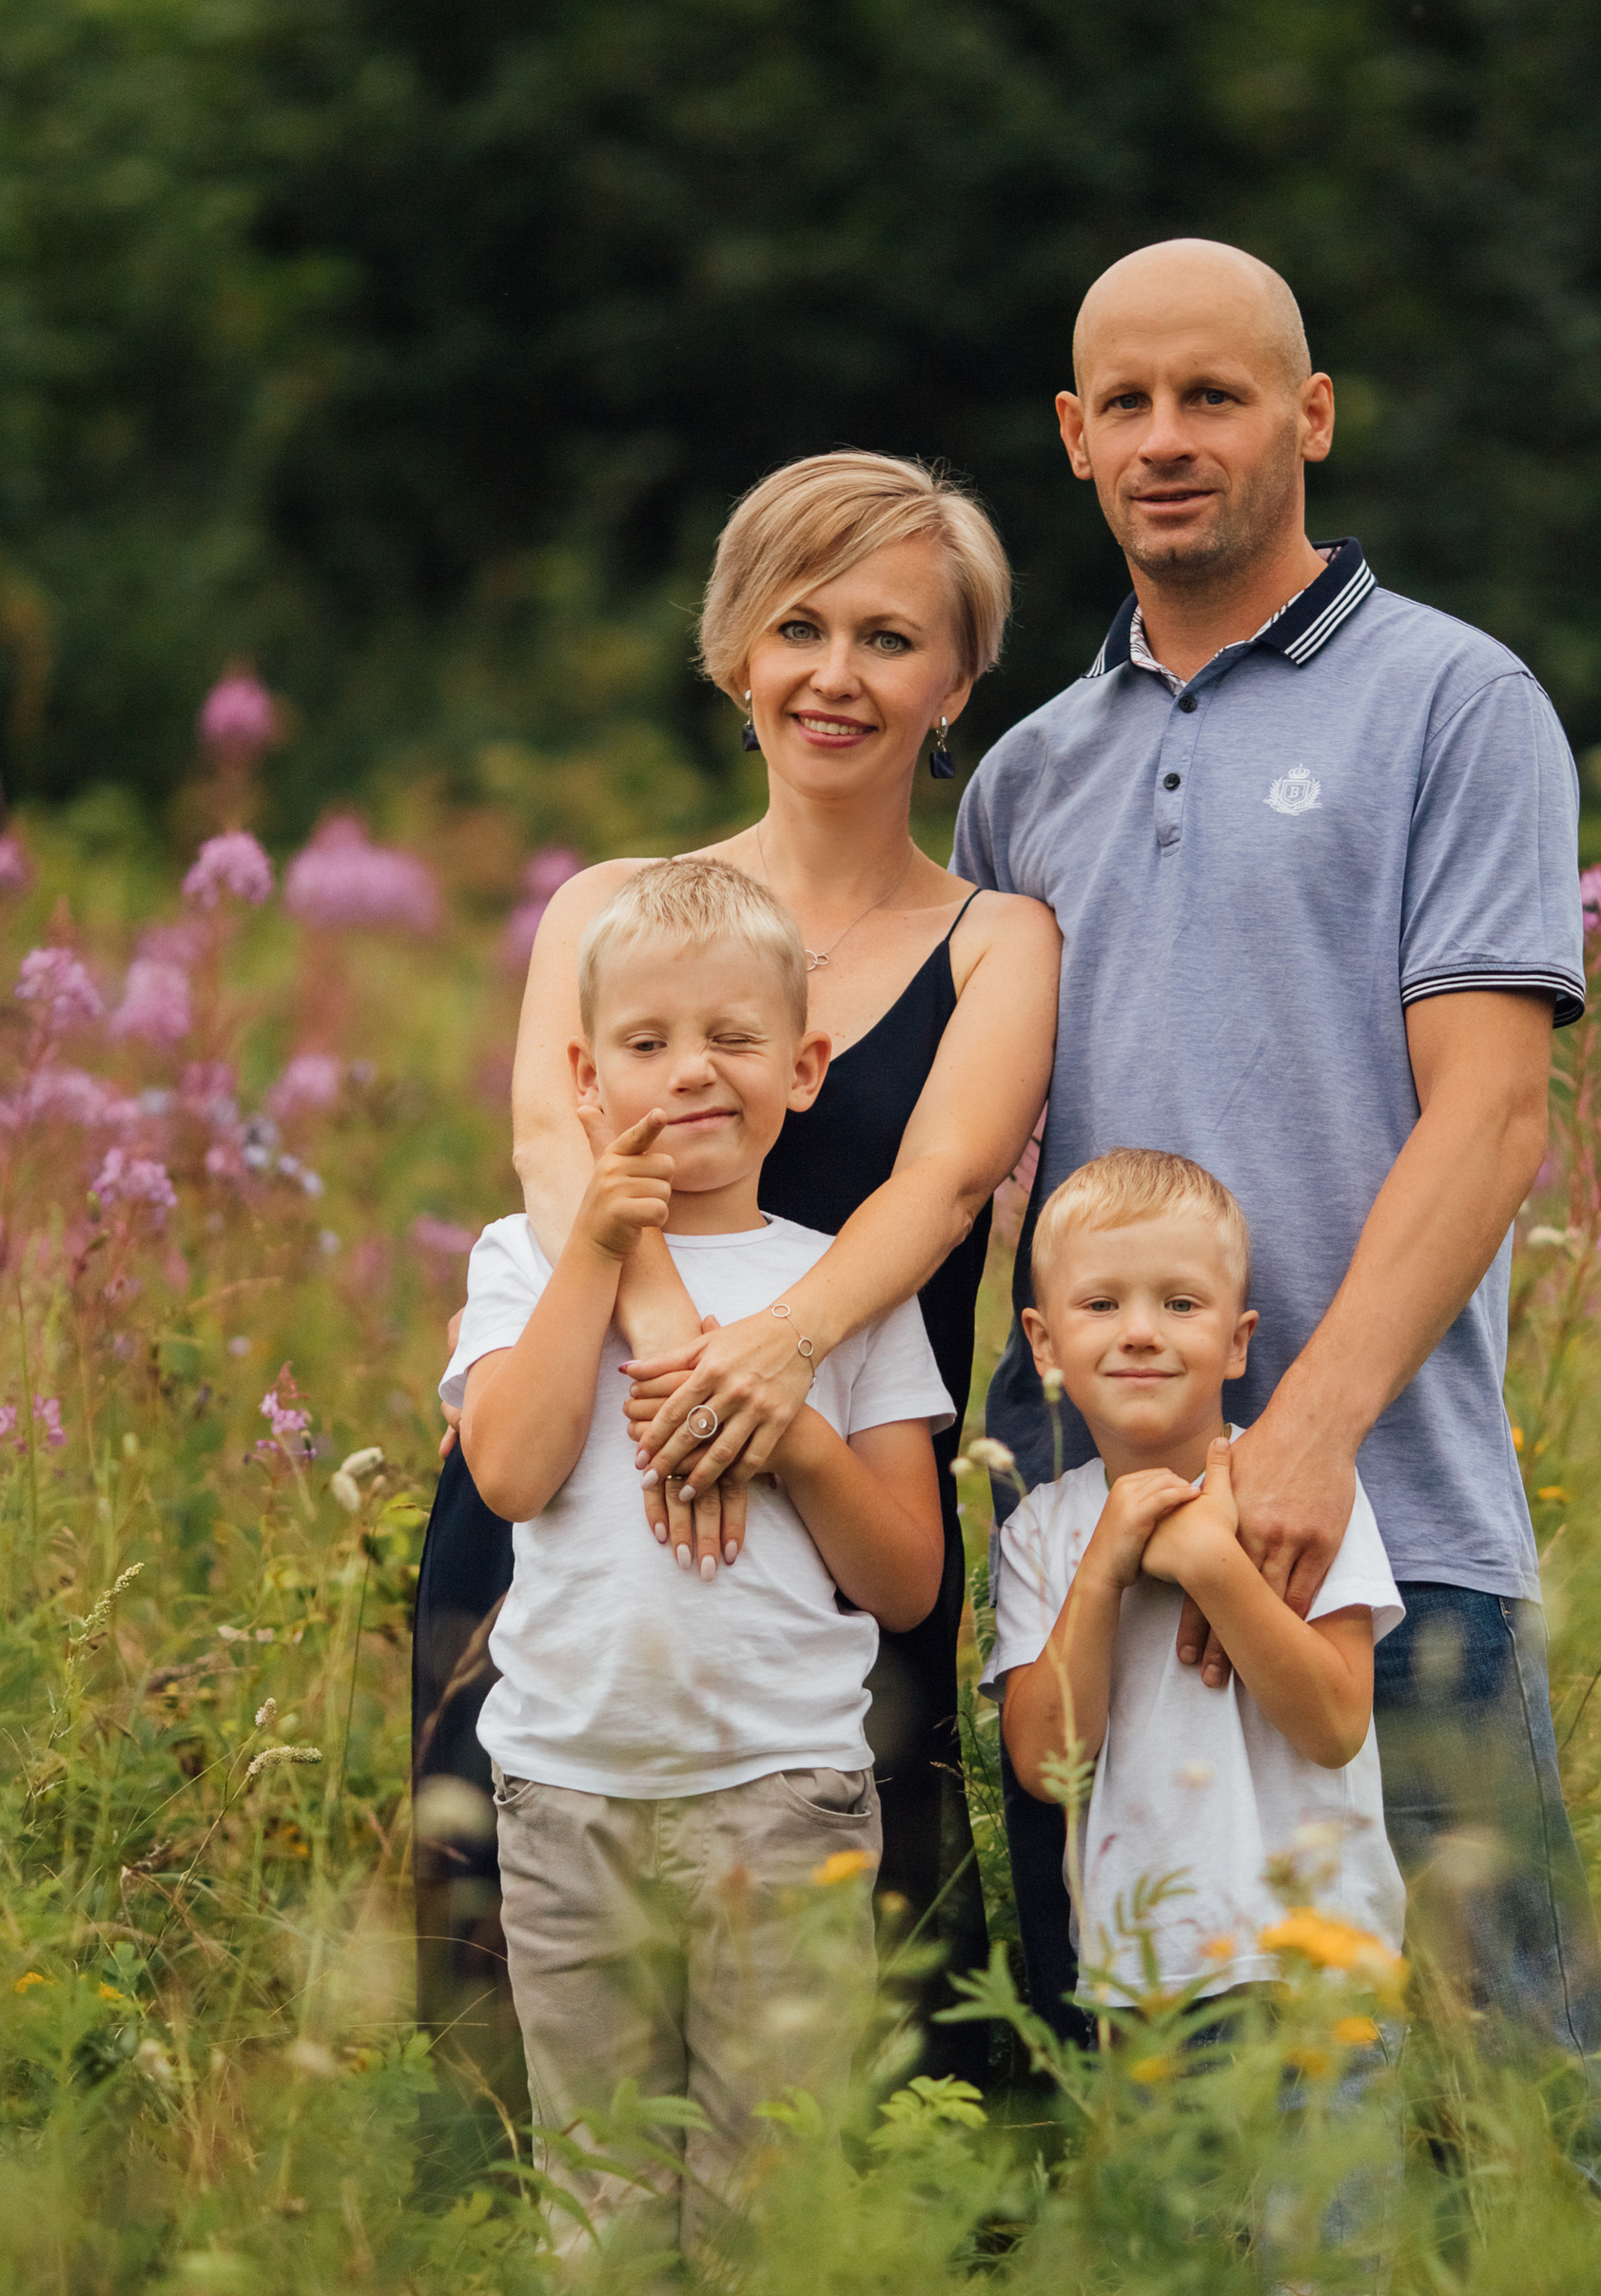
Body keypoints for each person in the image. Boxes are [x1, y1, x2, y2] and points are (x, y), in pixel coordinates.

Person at [952, 240, 1601, 2159]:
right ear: (1073, 440)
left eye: (1215, 395)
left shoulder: (1451, 704)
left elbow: (1487, 1115)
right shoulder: (1023, 778)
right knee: (1166, 2118)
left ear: (1306, 416)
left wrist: (1304, 1425)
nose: (1170, 440)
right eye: (1129, 405)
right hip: (1101, 1547)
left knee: (1510, 2093)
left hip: (1380, 1517)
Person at [414, 451, 1059, 2086]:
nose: (836, 675)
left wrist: (773, 1366)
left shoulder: (1002, 937)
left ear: (959, 681)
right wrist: (681, 1358)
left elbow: (946, 1185)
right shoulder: (613, 905)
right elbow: (554, 1154)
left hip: (848, 1484)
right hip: (580, 1490)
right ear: (736, 657)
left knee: (850, 2048)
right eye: (798, 628)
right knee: (541, 2034)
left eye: (891, 638)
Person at [444, 856, 953, 2259]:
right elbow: (511, 1469)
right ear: (583, 1074)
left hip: (782, 1802)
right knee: (598, 2213)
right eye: (649, 1044)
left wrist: (790, 1435)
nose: (691, 1076)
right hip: (572, 1793)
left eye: (732, 1041)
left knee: (763, 2208)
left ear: (803, 1067)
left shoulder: (841, 1285)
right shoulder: (520, 1260)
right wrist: (594, 1258)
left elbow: (907, 1579)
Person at [988, 1148, 1405, 2259]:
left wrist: (1213, 1563)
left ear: (1236, 1338)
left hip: (1323, 1972)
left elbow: (1332, 1721)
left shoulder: (1301, 1495)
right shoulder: (1040, 1535)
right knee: (1174, 2267)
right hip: (1151, 1985)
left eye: (1180, 1302)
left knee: (1320, 2265)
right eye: (1101, 1303)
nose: (1138, 1330)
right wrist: (1108, 1567)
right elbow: (1044, 1764)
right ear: (1043, 1343)